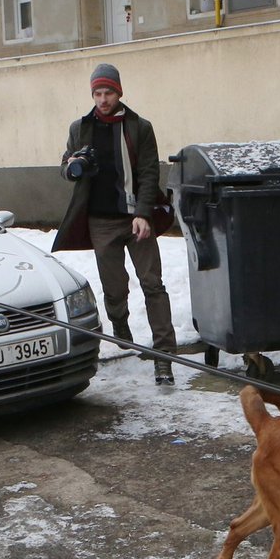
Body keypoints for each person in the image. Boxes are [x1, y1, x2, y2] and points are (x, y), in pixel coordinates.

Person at [53, 63, 177, 385]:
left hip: (136, 218)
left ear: (118, 92)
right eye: (97, 93)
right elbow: (64, 167)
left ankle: (165, 356)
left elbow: (150, 172)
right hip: (100, 220)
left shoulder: (139, 126)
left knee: (153, 283)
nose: (103, 99)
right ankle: (120, 324)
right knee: (114, 287)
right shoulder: (80, 127)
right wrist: (72, 166)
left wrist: (144, 214)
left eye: (108, 92)